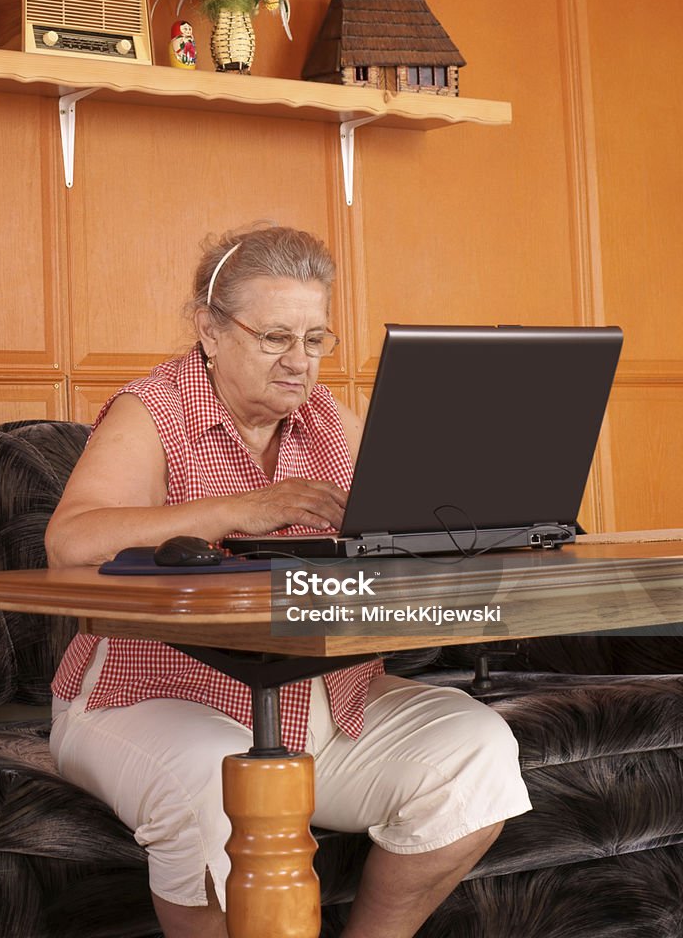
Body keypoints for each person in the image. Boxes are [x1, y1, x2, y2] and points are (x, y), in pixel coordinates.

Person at [45, 225, 532, 938]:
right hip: (140, 702)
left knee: (474, 749)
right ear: (210, 332)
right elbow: (70, 542)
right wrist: (241, 509)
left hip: (317, 704)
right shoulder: (152, 410)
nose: (299, 363)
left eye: (315, 339)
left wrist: (465, 526)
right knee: (221, 777)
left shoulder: (330, 420)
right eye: (275, 338)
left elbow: (404, 526)